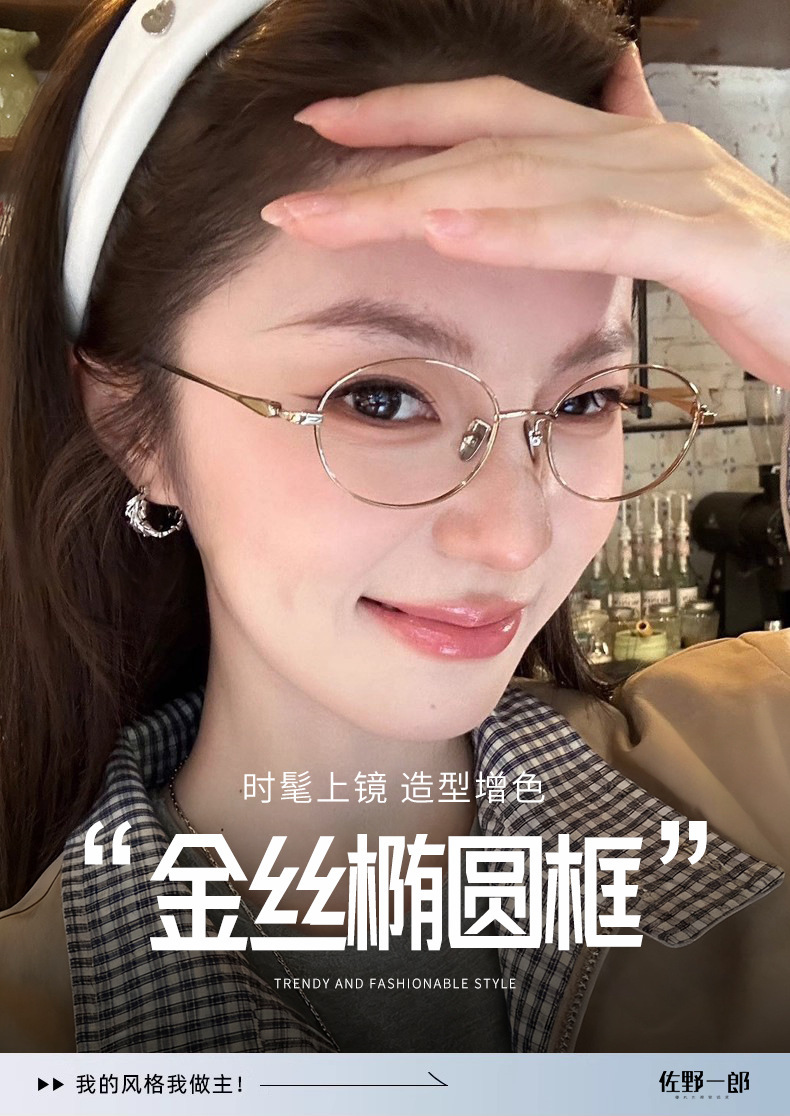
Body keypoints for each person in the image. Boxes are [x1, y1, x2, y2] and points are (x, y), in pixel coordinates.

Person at [0, 0, 788, 1055]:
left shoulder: (757, 771)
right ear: (133, 425)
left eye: (585, 399)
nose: (514, 539)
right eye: (380, 399)